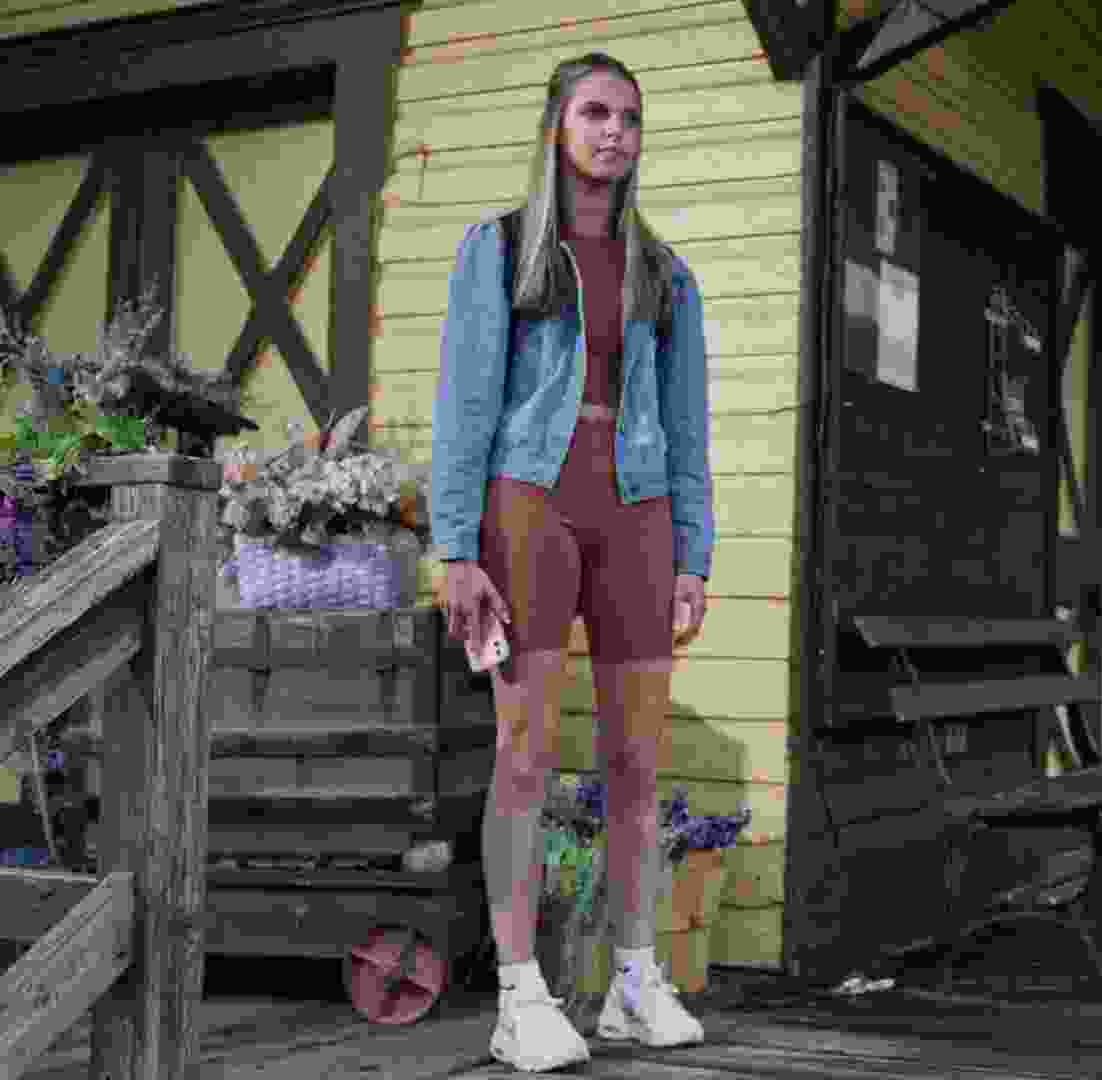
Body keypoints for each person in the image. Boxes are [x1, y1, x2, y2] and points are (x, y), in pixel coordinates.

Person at [431, 52, 715, 1073]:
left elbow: (689, 428)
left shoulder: (665, 273)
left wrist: (693, 554)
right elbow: (465, 405)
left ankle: (634, 981)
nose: (613, 133)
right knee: (527, 751)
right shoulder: (501, 248)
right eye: (595, 112)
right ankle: (520, 994)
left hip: (639, 515)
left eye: (629, 118)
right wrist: (456, 548)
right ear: (559, 125)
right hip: (529, 507)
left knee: (637, 760)